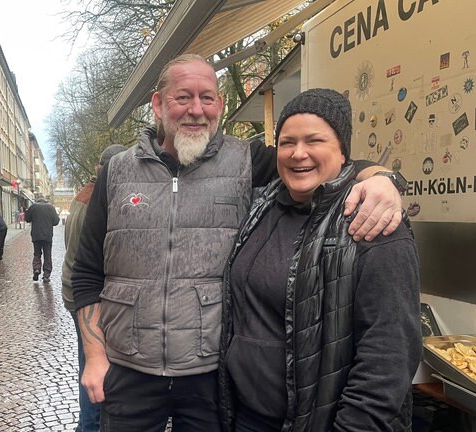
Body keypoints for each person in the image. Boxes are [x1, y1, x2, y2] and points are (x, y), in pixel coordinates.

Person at [71, 54, 407, 432]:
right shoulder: (117, 173)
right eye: (184, 97)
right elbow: (86, 273)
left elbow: (318, 159)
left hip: (211, 377)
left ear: (221, 104)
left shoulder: (246, 160)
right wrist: (95, 356)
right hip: (129, 369)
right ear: (158, 104)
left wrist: (384, 179)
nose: (197, 110)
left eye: (208, 98)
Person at [218, 88, 421, 432]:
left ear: (343, 153)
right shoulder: (263, 206)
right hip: (247, 418)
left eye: (315, 140)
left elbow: (389, 353)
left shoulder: (371, 220)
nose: (299, 154)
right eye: (287, 142)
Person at [62, 144, 128, 432]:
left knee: (90, 364)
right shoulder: (100, 198)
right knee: (95, 368)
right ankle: (89, 427)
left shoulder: (82, 195)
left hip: (75, 292)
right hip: (89, 297)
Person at [25, 195, 60, 282]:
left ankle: (36, 269)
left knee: (37, 254)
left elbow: (27, 219)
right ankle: (46, 275)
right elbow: (56, 221)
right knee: (47, 255)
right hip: (47, 235)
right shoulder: (50, 207)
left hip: (36, 235)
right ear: (45, 200)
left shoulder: (33, 206)